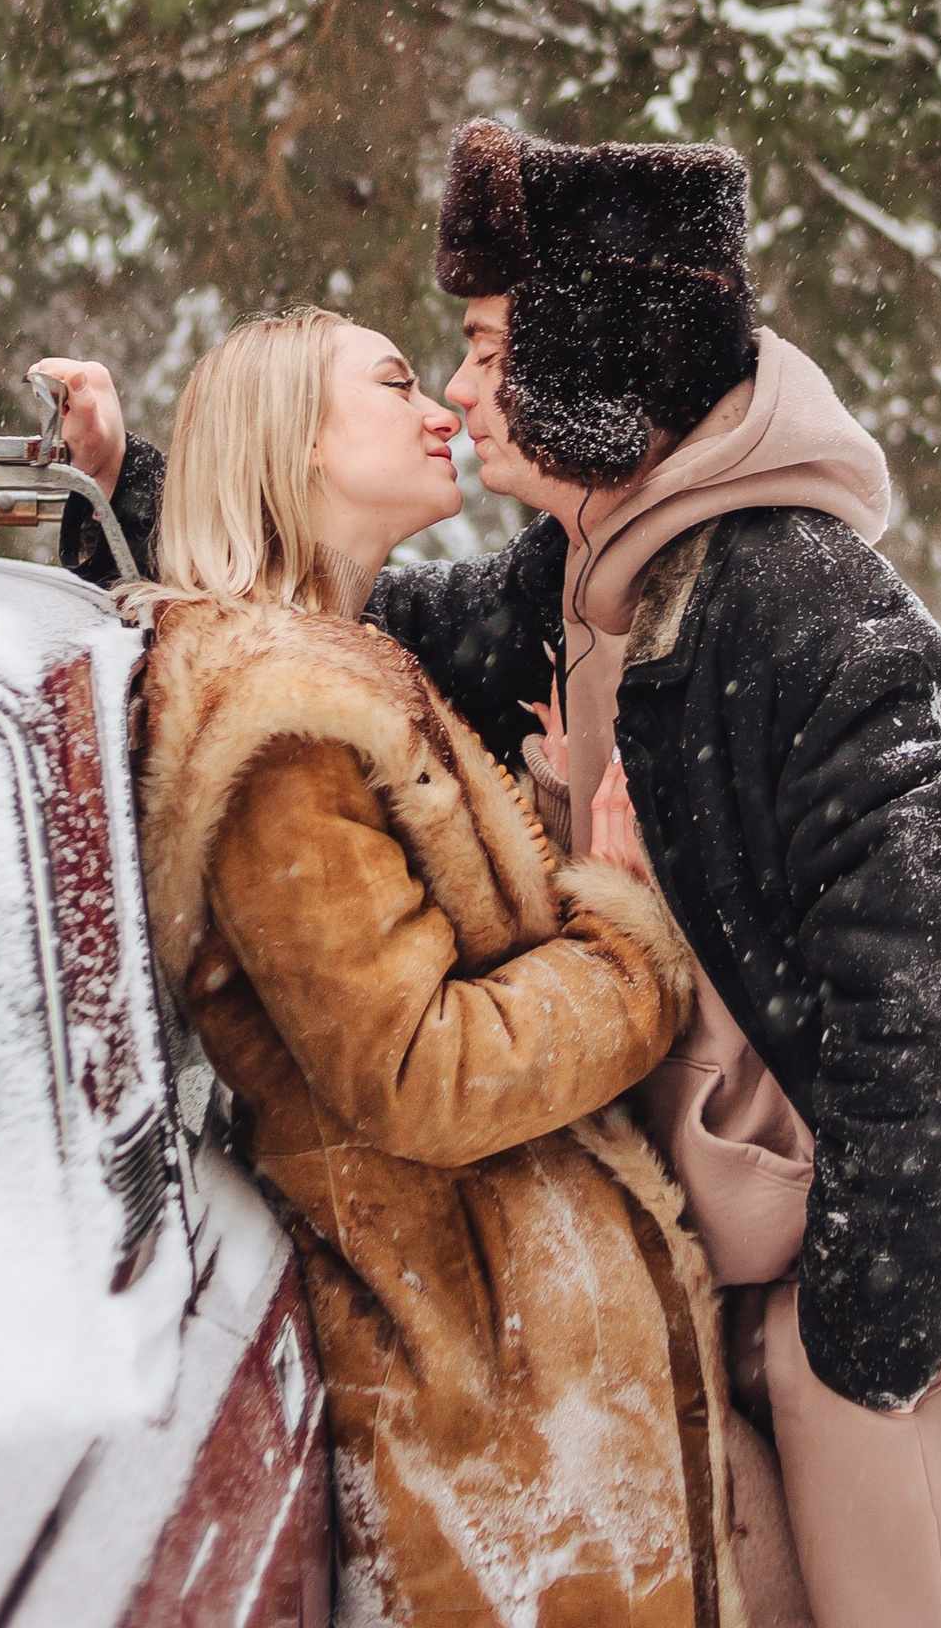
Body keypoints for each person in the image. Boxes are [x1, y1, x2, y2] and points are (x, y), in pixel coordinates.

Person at [38, 126, 941, 1627]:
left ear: (590, 353)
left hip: (874, 1345)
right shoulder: (584, 580)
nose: (461, 389)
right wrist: (135, 486)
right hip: (710, 1297)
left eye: (492, 348)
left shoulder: (805, 610)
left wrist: (856, 1333)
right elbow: (343, 620)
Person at [109, 305, 746, 1628]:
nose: (443, 408)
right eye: (396, 383)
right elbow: (418, 1070)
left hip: (496, 1353)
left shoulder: (343, 671)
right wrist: (622, 928)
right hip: (464, 1376)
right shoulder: (283, 728)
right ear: (290, 444)